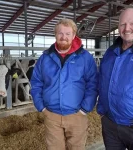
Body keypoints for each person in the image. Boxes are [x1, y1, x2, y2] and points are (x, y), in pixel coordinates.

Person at [30, 18, 98, 150]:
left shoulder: (85, 57)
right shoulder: (45, 57)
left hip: (77, 115)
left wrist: (84, 109)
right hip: (52, 115)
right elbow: (36, 82)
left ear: (73, 35)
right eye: (60, 33)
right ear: (55, 35)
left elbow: (93, 83)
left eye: (68, 34)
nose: (64, 37)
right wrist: (41, 107)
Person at [97, 8, 133, 150]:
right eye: (123, 24)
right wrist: (102, 111)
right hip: (110, 125)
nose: (127, 28)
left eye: (132, 23)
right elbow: (101, 81)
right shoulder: (110, 52)